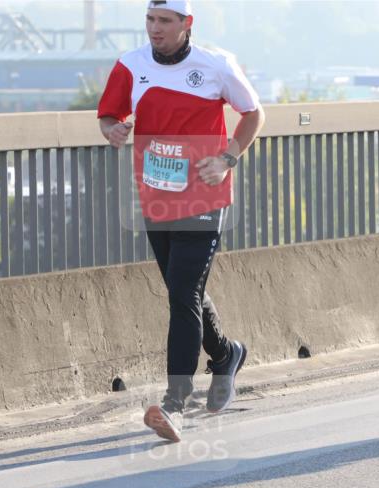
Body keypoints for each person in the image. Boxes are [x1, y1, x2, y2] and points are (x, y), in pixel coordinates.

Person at [97, 0, 266, 442]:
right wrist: (112, 129)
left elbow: (253, 114)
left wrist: (228, 158)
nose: (156, 29)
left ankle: (175, 403)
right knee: (181, 290)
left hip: (205, 195)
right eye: (150, 20)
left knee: (183, 292)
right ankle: (226, 354)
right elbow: (110, 114)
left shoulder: (216, 65)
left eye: (165, 21)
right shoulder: (129, 66)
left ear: (186, 24)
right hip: (156, 196)